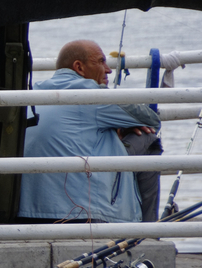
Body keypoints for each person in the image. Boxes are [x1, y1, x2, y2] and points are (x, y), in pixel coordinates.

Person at [18, 39, 160, 224]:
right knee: (148, 138)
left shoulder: (32, 92)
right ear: (79, 67)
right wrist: (121, 126)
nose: (108, 70)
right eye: (100, 61)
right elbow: (151, 120)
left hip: (26, 211)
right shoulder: (90, 92)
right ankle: (147, 232)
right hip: (81, 214)